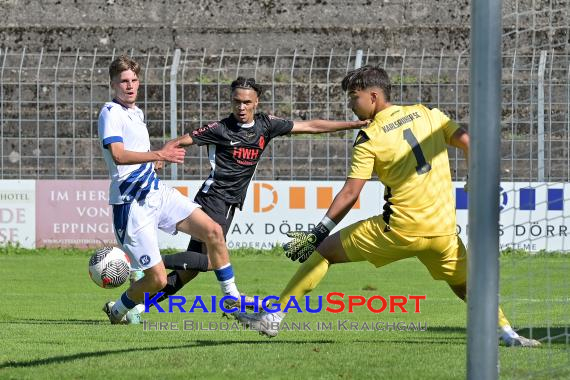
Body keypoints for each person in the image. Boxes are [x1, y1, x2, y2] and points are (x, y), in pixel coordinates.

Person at [235, 65, 541, 348]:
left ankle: (273, 317)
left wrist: (319, 231)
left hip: (398, 230)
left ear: (373, 96)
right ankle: (506, 332)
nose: (351, 105)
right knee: (464, 283)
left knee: (324, 251)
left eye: (354, 98)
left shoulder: (369, 136)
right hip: (442, 233)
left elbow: (351, 193)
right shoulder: (427, 114)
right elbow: (470, 143)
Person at [150, 76, 370, 308]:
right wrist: (163, 154)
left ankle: (136, 304)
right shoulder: (220, 128)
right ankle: (148, 264)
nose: (241, 107)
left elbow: (311, 126)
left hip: (227, 204)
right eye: (237, 101)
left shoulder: (266, 125)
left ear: (257, 102)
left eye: (246, 102)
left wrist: (353, 124)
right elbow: (181, 140)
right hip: (215, 201)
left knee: (190, 271)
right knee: (213, 261)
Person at [98, 55, 246, 324]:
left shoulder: (136, 113)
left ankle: (232, 298)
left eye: (134, 80)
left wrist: (153, 162)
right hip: (132, 205)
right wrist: (160, 154)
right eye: (123, 81)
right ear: (113, 84)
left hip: (157, 193)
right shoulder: (110, 113)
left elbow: (136, 155)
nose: (129, 86)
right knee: (157, 280)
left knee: (213, 231)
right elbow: (118, 155)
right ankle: (118, 308)